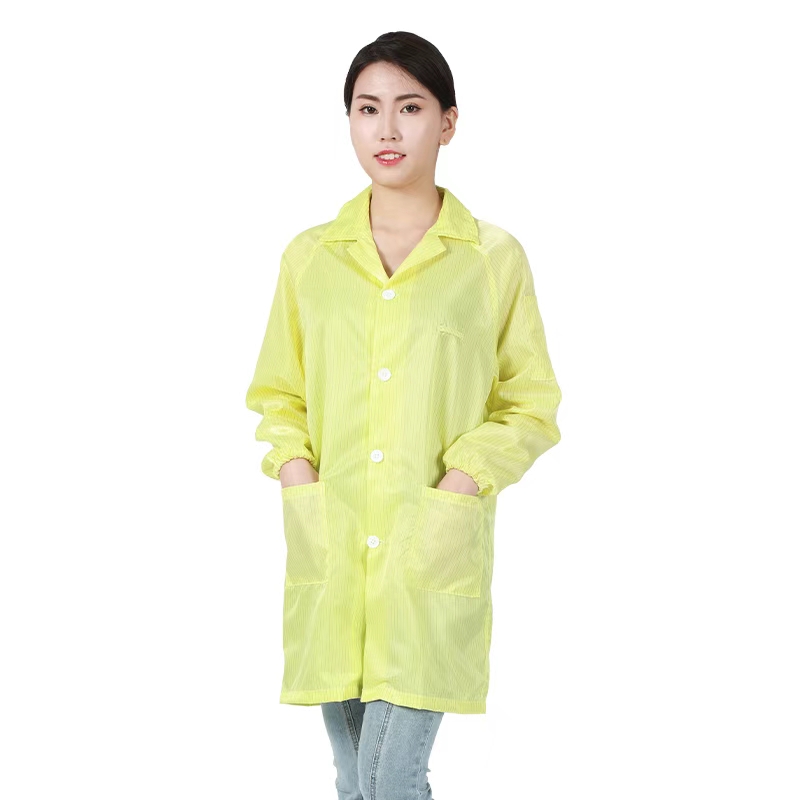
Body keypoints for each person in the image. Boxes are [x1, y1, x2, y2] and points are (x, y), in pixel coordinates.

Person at [245, 30, 562, 800]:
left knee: (390, 777)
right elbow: (278, 392)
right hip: (334, 548)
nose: (387, 129)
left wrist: (465, 479)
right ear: (349, 121)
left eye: (410, 108)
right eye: (368, 109)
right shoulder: (311, 258)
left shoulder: (490, 258)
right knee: (354, 780)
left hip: (429, 554)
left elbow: (531, 403)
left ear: (447, 122)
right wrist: (296, 470)